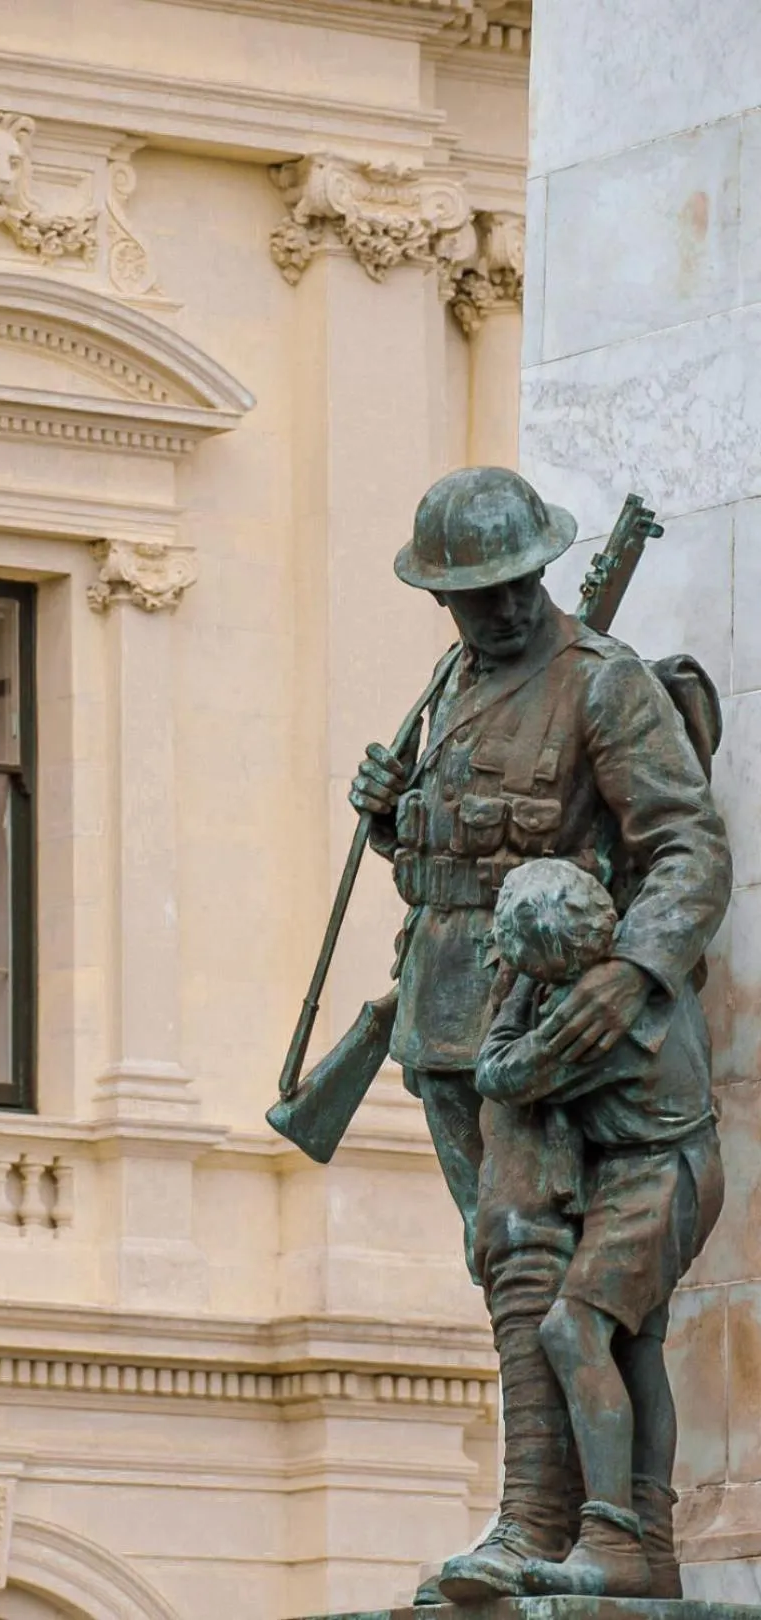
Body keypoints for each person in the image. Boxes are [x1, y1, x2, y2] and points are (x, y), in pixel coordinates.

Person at [349, 466, 732, 1598]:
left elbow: (686, 848)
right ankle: (552, 1523)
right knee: (502, 1269)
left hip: (543, 1025)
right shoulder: (451, 683)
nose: (507, 608)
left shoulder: (602, 686)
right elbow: (452, 856)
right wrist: (390, 823)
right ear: (444, 601)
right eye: (480, 594)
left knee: (533, 1270)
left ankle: (540, 1522)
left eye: (519, 584)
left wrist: (635, 972)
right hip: (442, 1020)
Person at [473, 858, 723, 1597]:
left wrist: (517, 989)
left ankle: (611, 1535)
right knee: (634, 1345)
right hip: (664, 1169)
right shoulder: (640, 974)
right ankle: (650, 1540)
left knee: (571, 1331)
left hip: (655, 1178)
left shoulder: (593, 1025)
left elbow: (499, 1073)